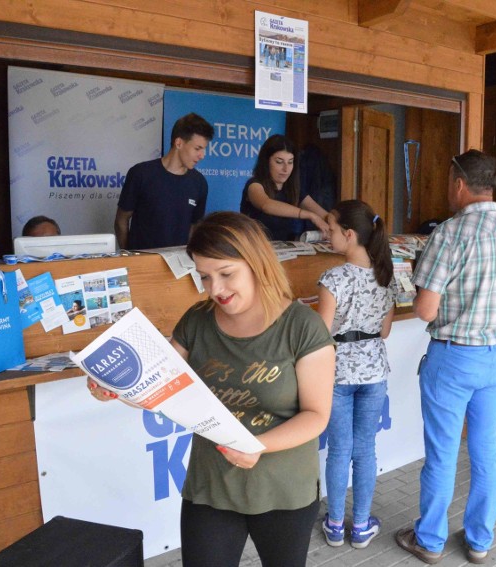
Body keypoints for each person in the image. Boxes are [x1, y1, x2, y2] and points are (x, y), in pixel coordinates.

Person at [89, 211, 336, 567]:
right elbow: (155, 387)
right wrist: (114, 387)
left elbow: (316, 416)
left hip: (284, 491)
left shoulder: (302, 327)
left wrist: (258, 446)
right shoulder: (197, 320)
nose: (215, 289)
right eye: (204, 276)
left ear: (257, 264)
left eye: (226, 274)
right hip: (211, 489)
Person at [395, 150, 496, 565]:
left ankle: (430, 540)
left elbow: (425, 309)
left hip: (453, 358)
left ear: (459, 184)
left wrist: (465, 311)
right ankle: (479, 541)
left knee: (442, 453)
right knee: (485, 451)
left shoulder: (450, 233)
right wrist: (491, 310)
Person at [317, 200, 395, 549]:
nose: (327, 234)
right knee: (365, 449)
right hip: (374, 371)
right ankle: (361, 525)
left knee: (339, 450)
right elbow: (385, 331)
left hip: (337, 375)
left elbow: (321, 334)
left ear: (349, 235)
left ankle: (334, 525)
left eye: (331, 229)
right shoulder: (385, 274)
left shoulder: (333, 278)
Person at [115, 113, 214, 250]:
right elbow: (121, 220)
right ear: (178, 143)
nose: (202, 155)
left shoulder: (199, 183)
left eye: (204, 149)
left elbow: (194, 226)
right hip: (142, 264)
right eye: (197, 148)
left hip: (179, 267)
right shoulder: (141, 174)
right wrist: (128, 256)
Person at [240, 134, 329, 241]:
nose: (286, 169)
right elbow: (266, 205)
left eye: (290, 162)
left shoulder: (293, 188)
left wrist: (336, 223)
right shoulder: (254, 185)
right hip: (257, 250)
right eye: (279, 162)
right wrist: (310, 215)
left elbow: (321, 213)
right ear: (266, 162)